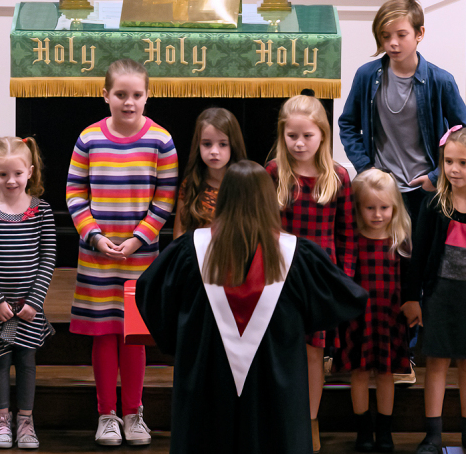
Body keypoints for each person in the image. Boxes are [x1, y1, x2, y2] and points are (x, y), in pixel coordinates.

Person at [135, 160, 367, 454]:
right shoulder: (297, 256)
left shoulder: (188, 251)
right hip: (275, 394)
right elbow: (346, 299)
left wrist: (177, 340)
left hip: (208, 387)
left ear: (224, 198)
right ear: (268, 199)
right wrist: (297, 326)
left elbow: (149, 293)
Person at [66, 59, 178, 447]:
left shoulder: (161, 141)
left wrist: (137, 240)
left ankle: (133, 412)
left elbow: (165, 199)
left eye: (136, 95)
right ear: (105, 95)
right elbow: (75, 194)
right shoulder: (89, 138)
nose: (128, 102)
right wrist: (95, 237)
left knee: (133, 335)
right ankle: (106, 414)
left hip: (141, 256)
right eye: (120, 95)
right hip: (97, 255)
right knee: (103, 334)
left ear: (147, 96)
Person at [401, 127, 466, 454]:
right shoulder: (434, 206)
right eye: (449, 161)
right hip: (438, 298)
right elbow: (417, 257)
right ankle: (433, 435)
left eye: (463, 163)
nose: (454, 169)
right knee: (435, 365)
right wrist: (411, 298)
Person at [266, 94, 356, 452]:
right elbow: (266, 227)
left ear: (322, 135)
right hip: (280, 276)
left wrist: (343, 279)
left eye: (307, 136)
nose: (299, 143)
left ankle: (310, 421)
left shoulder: (339, 177)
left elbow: (347, 235)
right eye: (292, 136)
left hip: (318, 279)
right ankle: (280, 418)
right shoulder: (274, 173)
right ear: (282, 136)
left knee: (314, 353)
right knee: (279, 348)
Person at [338, 0, 466, 224]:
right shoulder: (366, 76)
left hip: (425, 189)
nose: (393, 43)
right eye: (385, 36)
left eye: (401, 35)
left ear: (419, 33)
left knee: (420, 255)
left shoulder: (440, 81)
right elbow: (347, 124)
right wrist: (365, 168)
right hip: (381, 187)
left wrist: (436, 176)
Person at [0, 136, 56, 449]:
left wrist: (35, 301)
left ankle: (25, 421)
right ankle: (2, 421)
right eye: (3, 174)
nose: (11, 180)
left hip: (28, 308)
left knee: (27, 362)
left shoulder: (42, 211)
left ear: (30, 171)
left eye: (18, 173)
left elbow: (48, 257)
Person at [338, 169, 412, 453]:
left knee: (385, 375)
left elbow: (408, 284)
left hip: (389, 319)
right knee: (359, 373)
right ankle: (363, 430)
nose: (378, 214)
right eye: (370, 207)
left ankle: (384, 429)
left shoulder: (400, 241)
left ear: (394, 207)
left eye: (384, 207)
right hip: (359, 320)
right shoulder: (352, 241)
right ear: (358, 208)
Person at [173, 107, 246, 239]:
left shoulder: (245, 184)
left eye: (223, 144)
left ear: (233, 145)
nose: (214, 151)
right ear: (198, 145)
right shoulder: (191, 183)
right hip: (198, 257)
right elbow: (179, 235)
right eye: (207, 144)